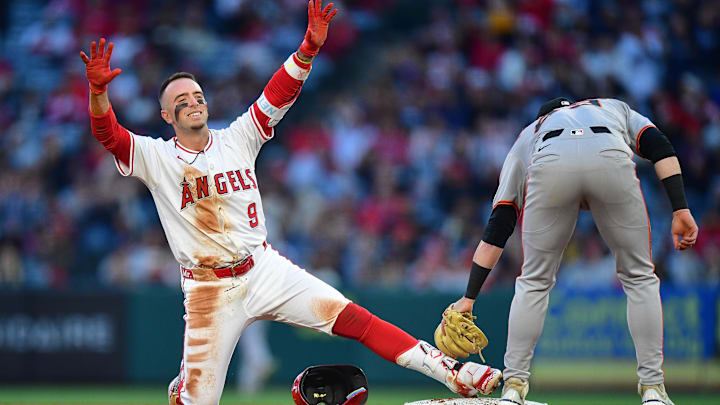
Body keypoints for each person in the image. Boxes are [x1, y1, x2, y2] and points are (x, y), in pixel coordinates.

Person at [79, 2, 502, 404]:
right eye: (181, 100)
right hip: (209, 289)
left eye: (197, 95)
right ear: (166, 115)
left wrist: (308, 49)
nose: (193, 102)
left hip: (262, 267)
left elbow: (277, 95)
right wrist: (99, 93)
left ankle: (455, 375)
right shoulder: (157, 156)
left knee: (355, 319)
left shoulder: (236, 138)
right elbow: (109, 135)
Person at [443, 97, 698, 405]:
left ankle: (513, 388)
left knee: (534, 282)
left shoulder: (529, 134)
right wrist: (680, 209)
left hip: (550, 158)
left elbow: (500, 223)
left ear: (545, 116)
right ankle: (654, 391)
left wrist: (469, 297)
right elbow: (660, 146)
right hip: (609, 150)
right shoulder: (612, 106)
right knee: (639, 277)